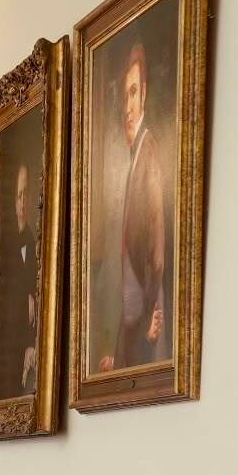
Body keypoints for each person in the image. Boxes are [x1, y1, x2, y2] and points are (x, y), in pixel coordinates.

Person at [102, 39, 169, 373]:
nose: (126, 107)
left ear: (143, 95)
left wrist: (148, 324)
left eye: (132, 94)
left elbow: (156, 255)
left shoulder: (150, 151)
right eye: (123, 97)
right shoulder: (133, 157)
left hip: (143, 324)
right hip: (132, 325)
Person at [0, 162, 40, 397]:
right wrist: (27, 297)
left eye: (26, 194)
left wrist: (30, 343)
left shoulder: (32, 242)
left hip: (25, 347)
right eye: (18, 195)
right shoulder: (3, 244)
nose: (23, 203)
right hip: (8, 348)